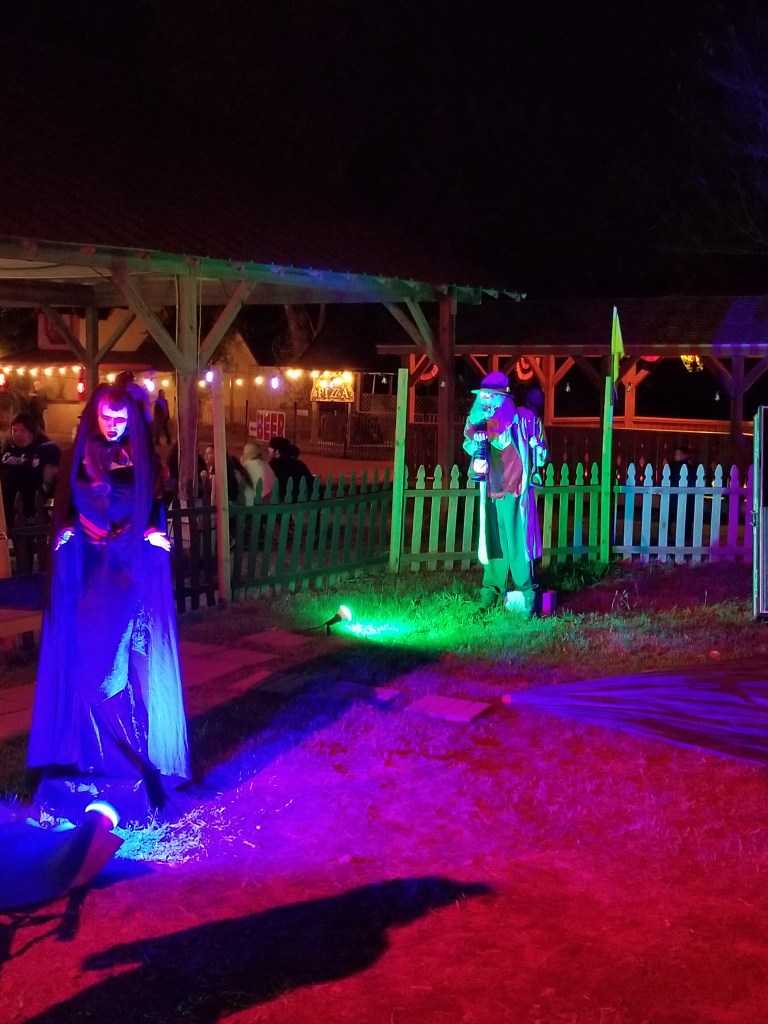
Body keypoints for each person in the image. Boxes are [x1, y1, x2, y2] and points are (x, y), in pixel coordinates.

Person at [27, 379, 190, 825]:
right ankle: (84, 755)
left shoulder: (144, 460)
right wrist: (63, 530)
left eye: (121, 416)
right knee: (82, 660)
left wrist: (154, 531)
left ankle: (123, 757)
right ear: (94, 415)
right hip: (85, 571)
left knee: (112, 664)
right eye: (107, 415)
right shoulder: (78, 455)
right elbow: (68, 509)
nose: (114, 423)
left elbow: (153, 508)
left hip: (124, 571)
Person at [463, 371, 547, 616]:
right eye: (483, 395)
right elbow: (469, 442)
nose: (486, 400)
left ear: (502, 397)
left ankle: (527, 595)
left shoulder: (523, 419)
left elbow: (540, 450)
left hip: (515, 490)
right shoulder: (481, 421)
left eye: (491, 395)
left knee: (519, 543)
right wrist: (477, 431)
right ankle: (490, 592)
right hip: (491, 489)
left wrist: (537, 449)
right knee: (493, 542)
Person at [0, 411, 61, 525]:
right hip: (7, 506)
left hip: (32, 507)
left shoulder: (45, 450)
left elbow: (56, 472)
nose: (17, 434)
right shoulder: (7, 449)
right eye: (14, 430)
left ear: (32, 433)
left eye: (22, 431)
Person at [268, 436, 314, 500]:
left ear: (277, 451)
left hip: (280, 501)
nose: (268, 449)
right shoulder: (299, 464)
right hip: (300, 500)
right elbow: (310, 481)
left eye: (270, 447)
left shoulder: (273, 465)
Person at [667, 444, 695, 545]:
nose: (676, 455)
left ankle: (684, 536)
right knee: (673, 516)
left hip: (683, 497)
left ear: (685, 455)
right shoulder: (673, 465)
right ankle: (679, 535)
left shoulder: (686, 466)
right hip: (676, 496)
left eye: (678, 453)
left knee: (684, 517)